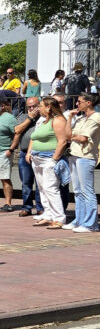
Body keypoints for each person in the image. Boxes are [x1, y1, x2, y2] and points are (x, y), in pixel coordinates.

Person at [28, 97, 70, 229]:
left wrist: (54, 159)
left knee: (51, 188)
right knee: (42, 188)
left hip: (48, 159)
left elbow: (62, 141)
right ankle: (48, 214)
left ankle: (59, 218)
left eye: (40, 106)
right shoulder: (45, 121)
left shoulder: (58, 120)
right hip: (37, 159)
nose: (38, 109)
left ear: (48, 107)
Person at [65, 94, 100, 233]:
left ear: (89, 102)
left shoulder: (96, 117)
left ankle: (91, 224)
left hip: (86, 157)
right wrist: (70, 118)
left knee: (87, 191)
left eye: (79, 102)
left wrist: (72, 136)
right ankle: (79, 220)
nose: (77, 104)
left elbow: (83, 138)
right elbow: (67, 135)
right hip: (74, 155)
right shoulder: (79, 118)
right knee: (77, 191)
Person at [11, 98, 42, 217]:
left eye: (34, 106)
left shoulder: (44, 118)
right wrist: (30, 118)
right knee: (26, 182)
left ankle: (40, 207)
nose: (31, 109)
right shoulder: (23, 117)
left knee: (40, 183)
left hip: (39, 153)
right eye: (29, 107)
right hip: (24, 154)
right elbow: (17, 130)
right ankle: (27, 207)